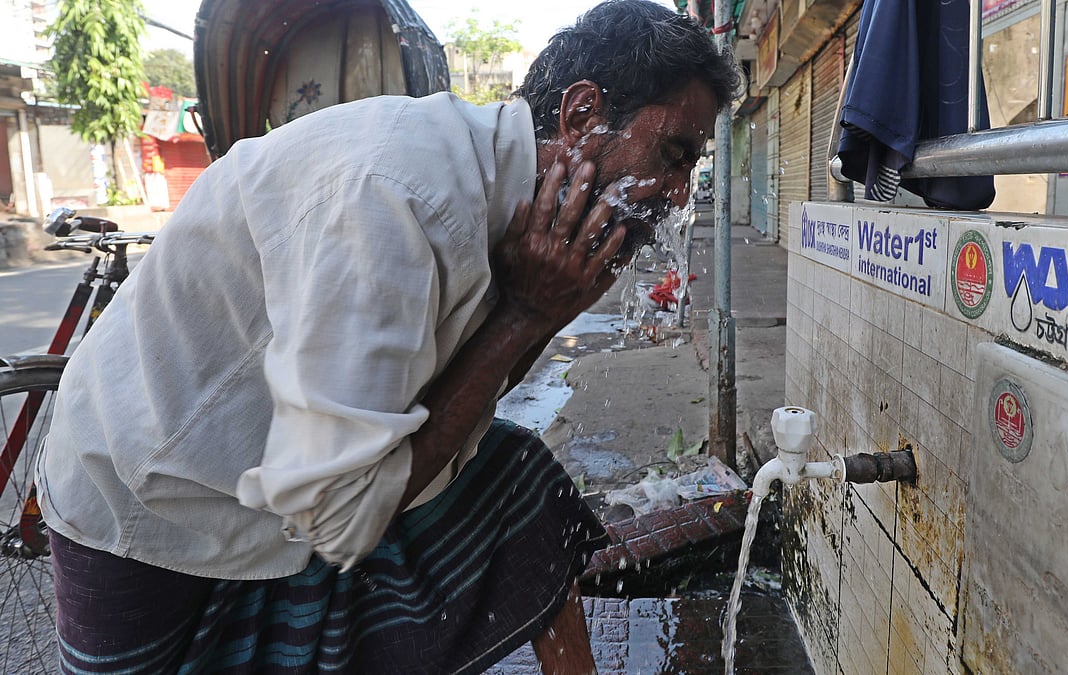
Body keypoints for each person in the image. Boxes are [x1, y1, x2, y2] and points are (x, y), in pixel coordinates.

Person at [36, 1, 739, 672]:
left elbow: (468, 399)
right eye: (674, 154)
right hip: (143, 499)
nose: (680, 192)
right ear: (582, 114)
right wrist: (527, 315)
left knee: (517, 479)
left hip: (287, 494)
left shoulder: (514, 202)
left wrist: (546, 309)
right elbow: (343, 516)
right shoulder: (400, 201)